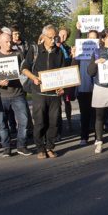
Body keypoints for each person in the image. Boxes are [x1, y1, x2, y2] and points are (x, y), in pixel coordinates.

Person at [22, 25, 68, 159]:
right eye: (50, 37)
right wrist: (33, 78)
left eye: (55, 37)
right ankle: (40, 148)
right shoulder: (34, 50)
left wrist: (62, 87)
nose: (53, 40)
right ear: (43, 37)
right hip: (39, 93)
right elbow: (24, 68)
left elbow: (63, 72)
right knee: (40, 122)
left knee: (54, 122)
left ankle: (49, 147)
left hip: (54, 94)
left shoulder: (59, 51)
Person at [0, 31, 32, 156]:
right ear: (0, 43)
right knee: (3, 123)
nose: (9, 44)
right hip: (1, 96)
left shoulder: (17, 54)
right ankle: (6, 148)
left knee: (23, 121)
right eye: (6, 42)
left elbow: (24, 71)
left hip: (18, 94)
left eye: (10, 41)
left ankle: (21, 145)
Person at [76, 29, 99, 146]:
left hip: (97, 88)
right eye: (89, 38)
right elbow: (74, 69)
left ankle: (97, 137)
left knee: (96, 114)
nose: (92, 41)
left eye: (94, 38)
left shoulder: (101, 53)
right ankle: (84, 137)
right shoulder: (79, 54)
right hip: (83, 88)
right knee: (84, 114)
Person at [56, 27, 76, 135]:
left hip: (66, 78)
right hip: (56, 78)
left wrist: (72, 55)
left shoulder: (67, 47)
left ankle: (69, 122)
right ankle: (58, 126)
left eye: (65, 36)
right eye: (61, 34)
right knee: (57, 103)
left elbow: (69, 62)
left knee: (67, 101)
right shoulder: (54, 46)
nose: (62, 37)